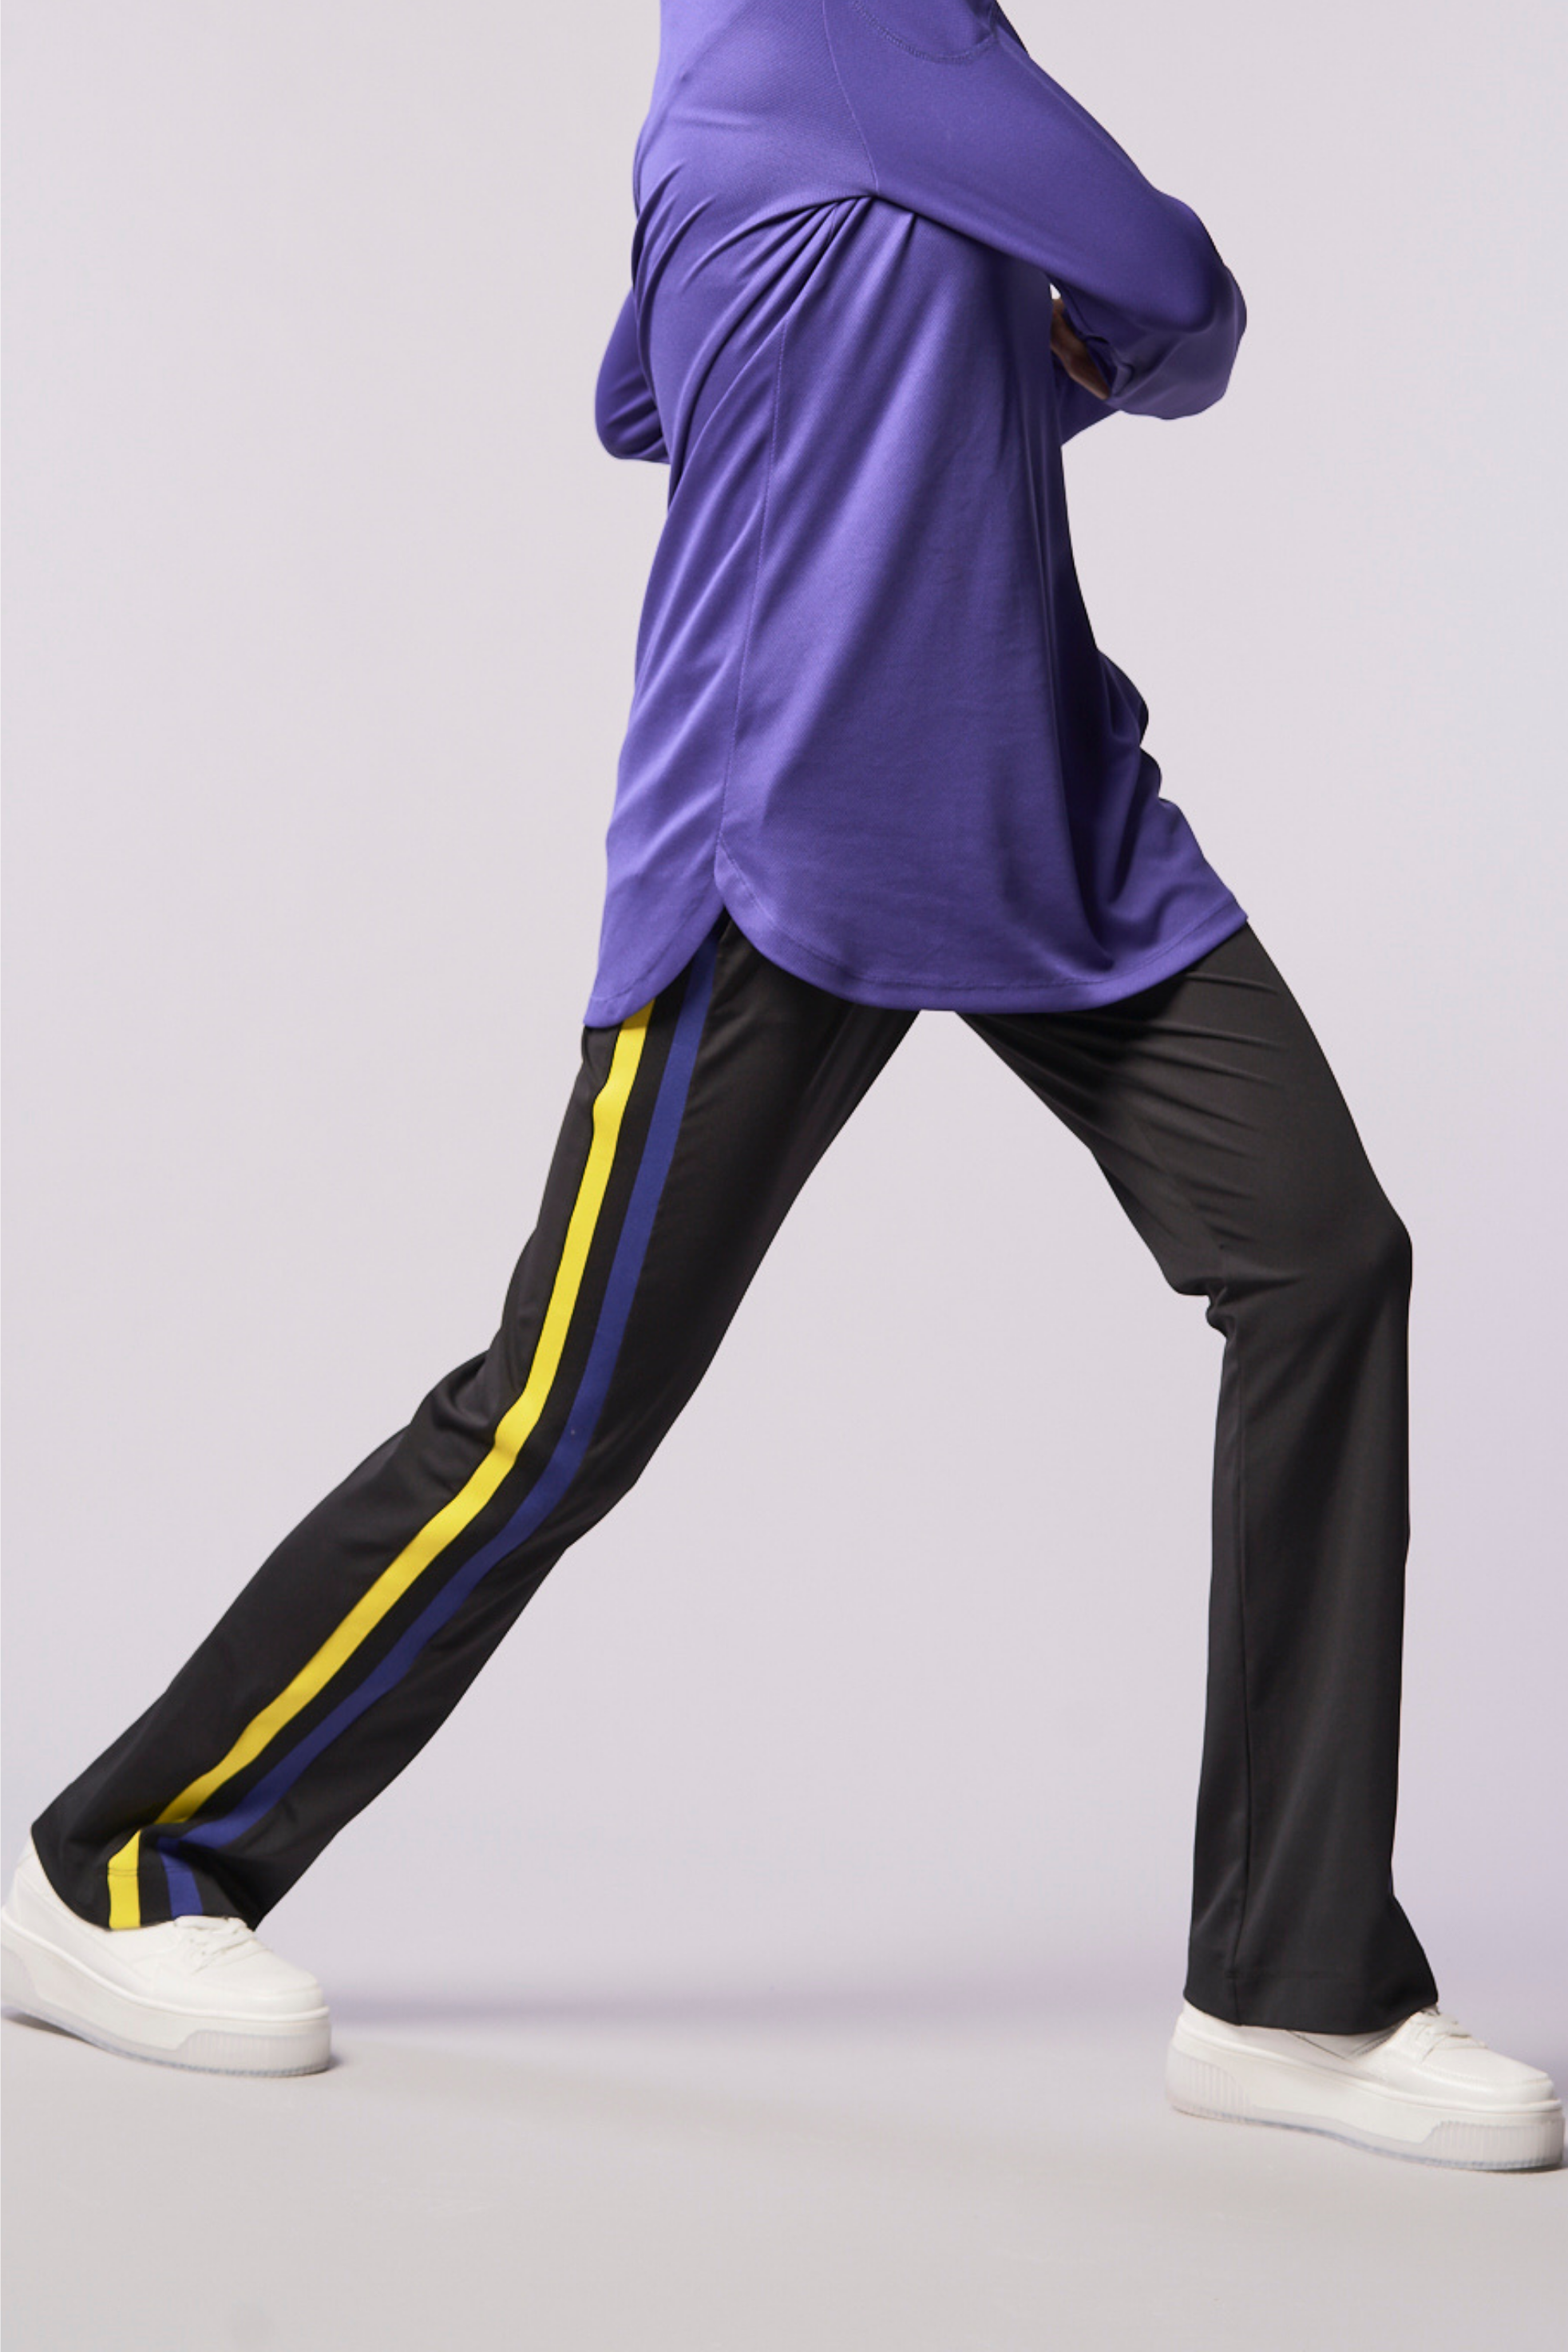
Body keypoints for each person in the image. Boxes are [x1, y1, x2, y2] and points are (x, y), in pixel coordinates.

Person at [2, 0, 1559, 2172]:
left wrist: (925, 320)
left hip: (1045, 823)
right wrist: (1032, 333)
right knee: (560, 1411)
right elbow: (1180, 297)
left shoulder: (767, 67)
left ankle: (1293, 1987)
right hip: (785, 837)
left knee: (1319, 1261)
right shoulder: (862, 33)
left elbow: (636, 385)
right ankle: (122, 1862)